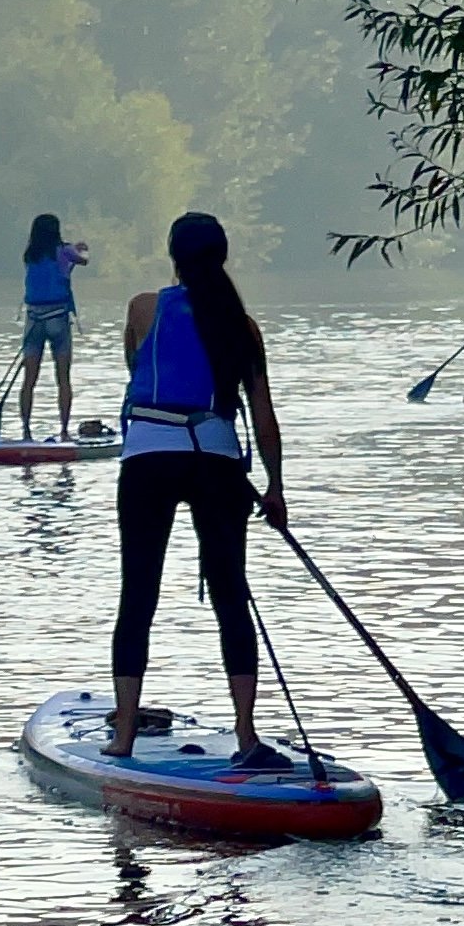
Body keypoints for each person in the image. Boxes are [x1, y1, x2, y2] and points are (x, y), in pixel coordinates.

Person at [106, 213, 290, 769]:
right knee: (232, 595)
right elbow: (263, 414)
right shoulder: (242, 325)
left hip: (148, 461)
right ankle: (246, 734)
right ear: (224, 256)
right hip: (217, 463)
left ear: (173, 257)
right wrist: (276, 488)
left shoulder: (143, 309)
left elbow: (138, 370)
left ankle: (123, 736)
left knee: (139, 594)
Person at [20, 211, 89, 438]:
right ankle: (64, 431)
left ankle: (27, 431)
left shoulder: (30, 255)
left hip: (33, 321)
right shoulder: (64, 251)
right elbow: (83, 260)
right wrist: (80, 249)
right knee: (63, 379)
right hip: (58, 319)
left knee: (29, 379)